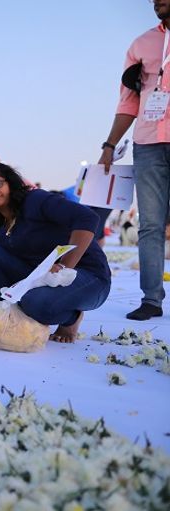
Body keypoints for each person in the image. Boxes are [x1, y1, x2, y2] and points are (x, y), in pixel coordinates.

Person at [0, 163, 111, 342]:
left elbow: (87, 217)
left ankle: (71, 319)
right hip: (40, 277)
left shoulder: (35, 200)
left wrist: (64, 267)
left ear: (10, 183)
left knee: (35, 303)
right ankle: (19, 307)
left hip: (87, 275)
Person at [98, 0, 170, 320]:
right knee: (150, 225)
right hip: (148, 143)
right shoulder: (141, 45)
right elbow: (128, 102)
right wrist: (109, 145)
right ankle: (151, 300)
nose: (155, 1)